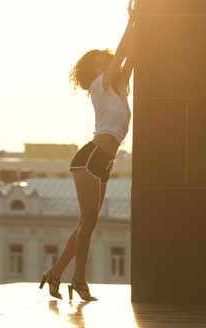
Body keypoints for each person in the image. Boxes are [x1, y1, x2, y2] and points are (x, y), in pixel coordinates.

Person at [39, 48, 132, 301]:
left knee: (86, 224)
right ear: (94, 70)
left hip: (105, 162)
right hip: (90, 160)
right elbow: (124, 50)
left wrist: (142, 18)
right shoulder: (99, 85)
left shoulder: (119, 88)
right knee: (88, 224)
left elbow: (131, 53)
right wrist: (132, 19)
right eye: (102, 63)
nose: (108, 64)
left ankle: (54, 273)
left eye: (108, 61)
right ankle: (79, 280)